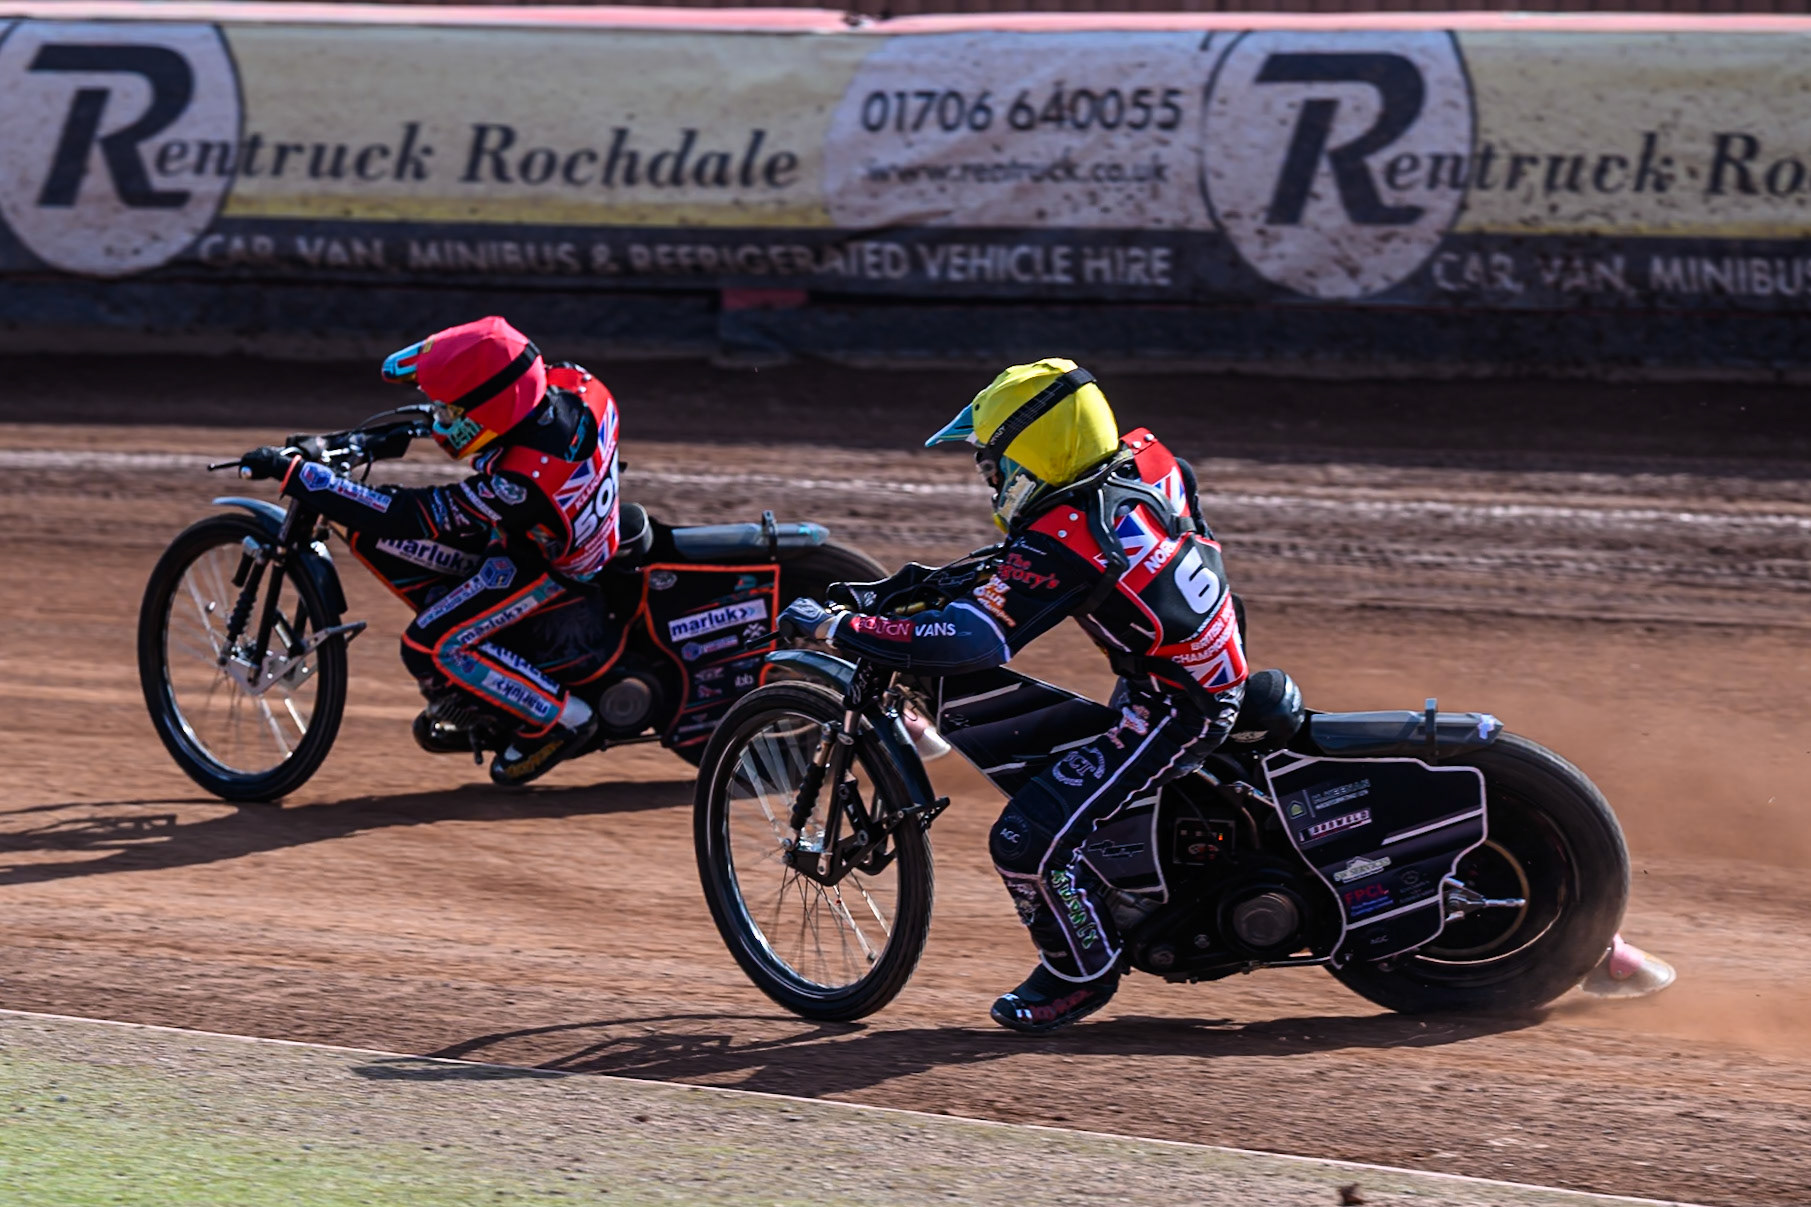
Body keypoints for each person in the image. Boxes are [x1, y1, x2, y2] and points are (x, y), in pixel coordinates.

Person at [775, 358, 1248, 1033]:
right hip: (1199, 661)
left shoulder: (1070, 540)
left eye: (992, 462)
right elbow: (1038, 555)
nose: (988, 477)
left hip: (1175, 706)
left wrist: (840, 625)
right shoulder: (1143, 460)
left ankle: (1079, 970)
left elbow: (976, 640)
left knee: (1026, 840)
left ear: (1032, 457)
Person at [238, 316, 625, 785]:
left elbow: (410, 515)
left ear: (494, 411)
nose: (440, 417)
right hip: (562, 525)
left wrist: (303, 477)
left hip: (546, 566)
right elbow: (463, 413)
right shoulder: (571, 383)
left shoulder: (519, 484)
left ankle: (562, 720)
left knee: (431, 646)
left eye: (450, 411)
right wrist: (359, 444)